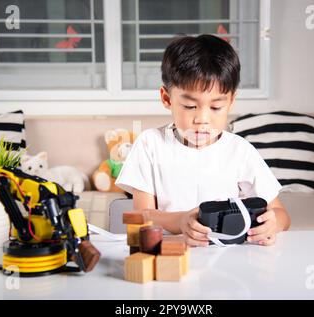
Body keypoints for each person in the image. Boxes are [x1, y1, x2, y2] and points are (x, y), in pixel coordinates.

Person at [115, 34, 290, 247]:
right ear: (167, 98)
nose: (202, 119)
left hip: (229, 260)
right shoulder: (149, 145)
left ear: (231, 101)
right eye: (190, 106)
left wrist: (273, 224)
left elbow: (282, 215)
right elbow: (141, 216)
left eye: (216, 107)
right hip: (172, 253)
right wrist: (180, 221)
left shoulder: (240, 151)